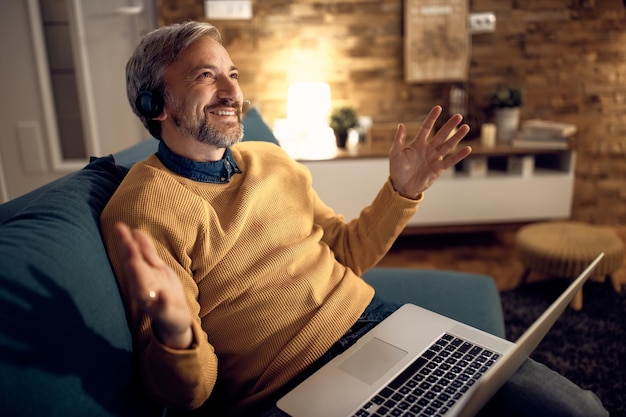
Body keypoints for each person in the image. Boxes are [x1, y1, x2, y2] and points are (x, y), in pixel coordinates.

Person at [100, 21, 608, 417]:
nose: (232, 92)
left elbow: (346, 251)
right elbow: (188, 393)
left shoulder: (272, 162)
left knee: (578, 409)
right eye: (205, 75)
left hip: (380, 324)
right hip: (290, 388)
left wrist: (403, 190)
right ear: (155, 103)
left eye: (232, 74)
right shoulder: (142, 209)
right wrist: (175, 332)